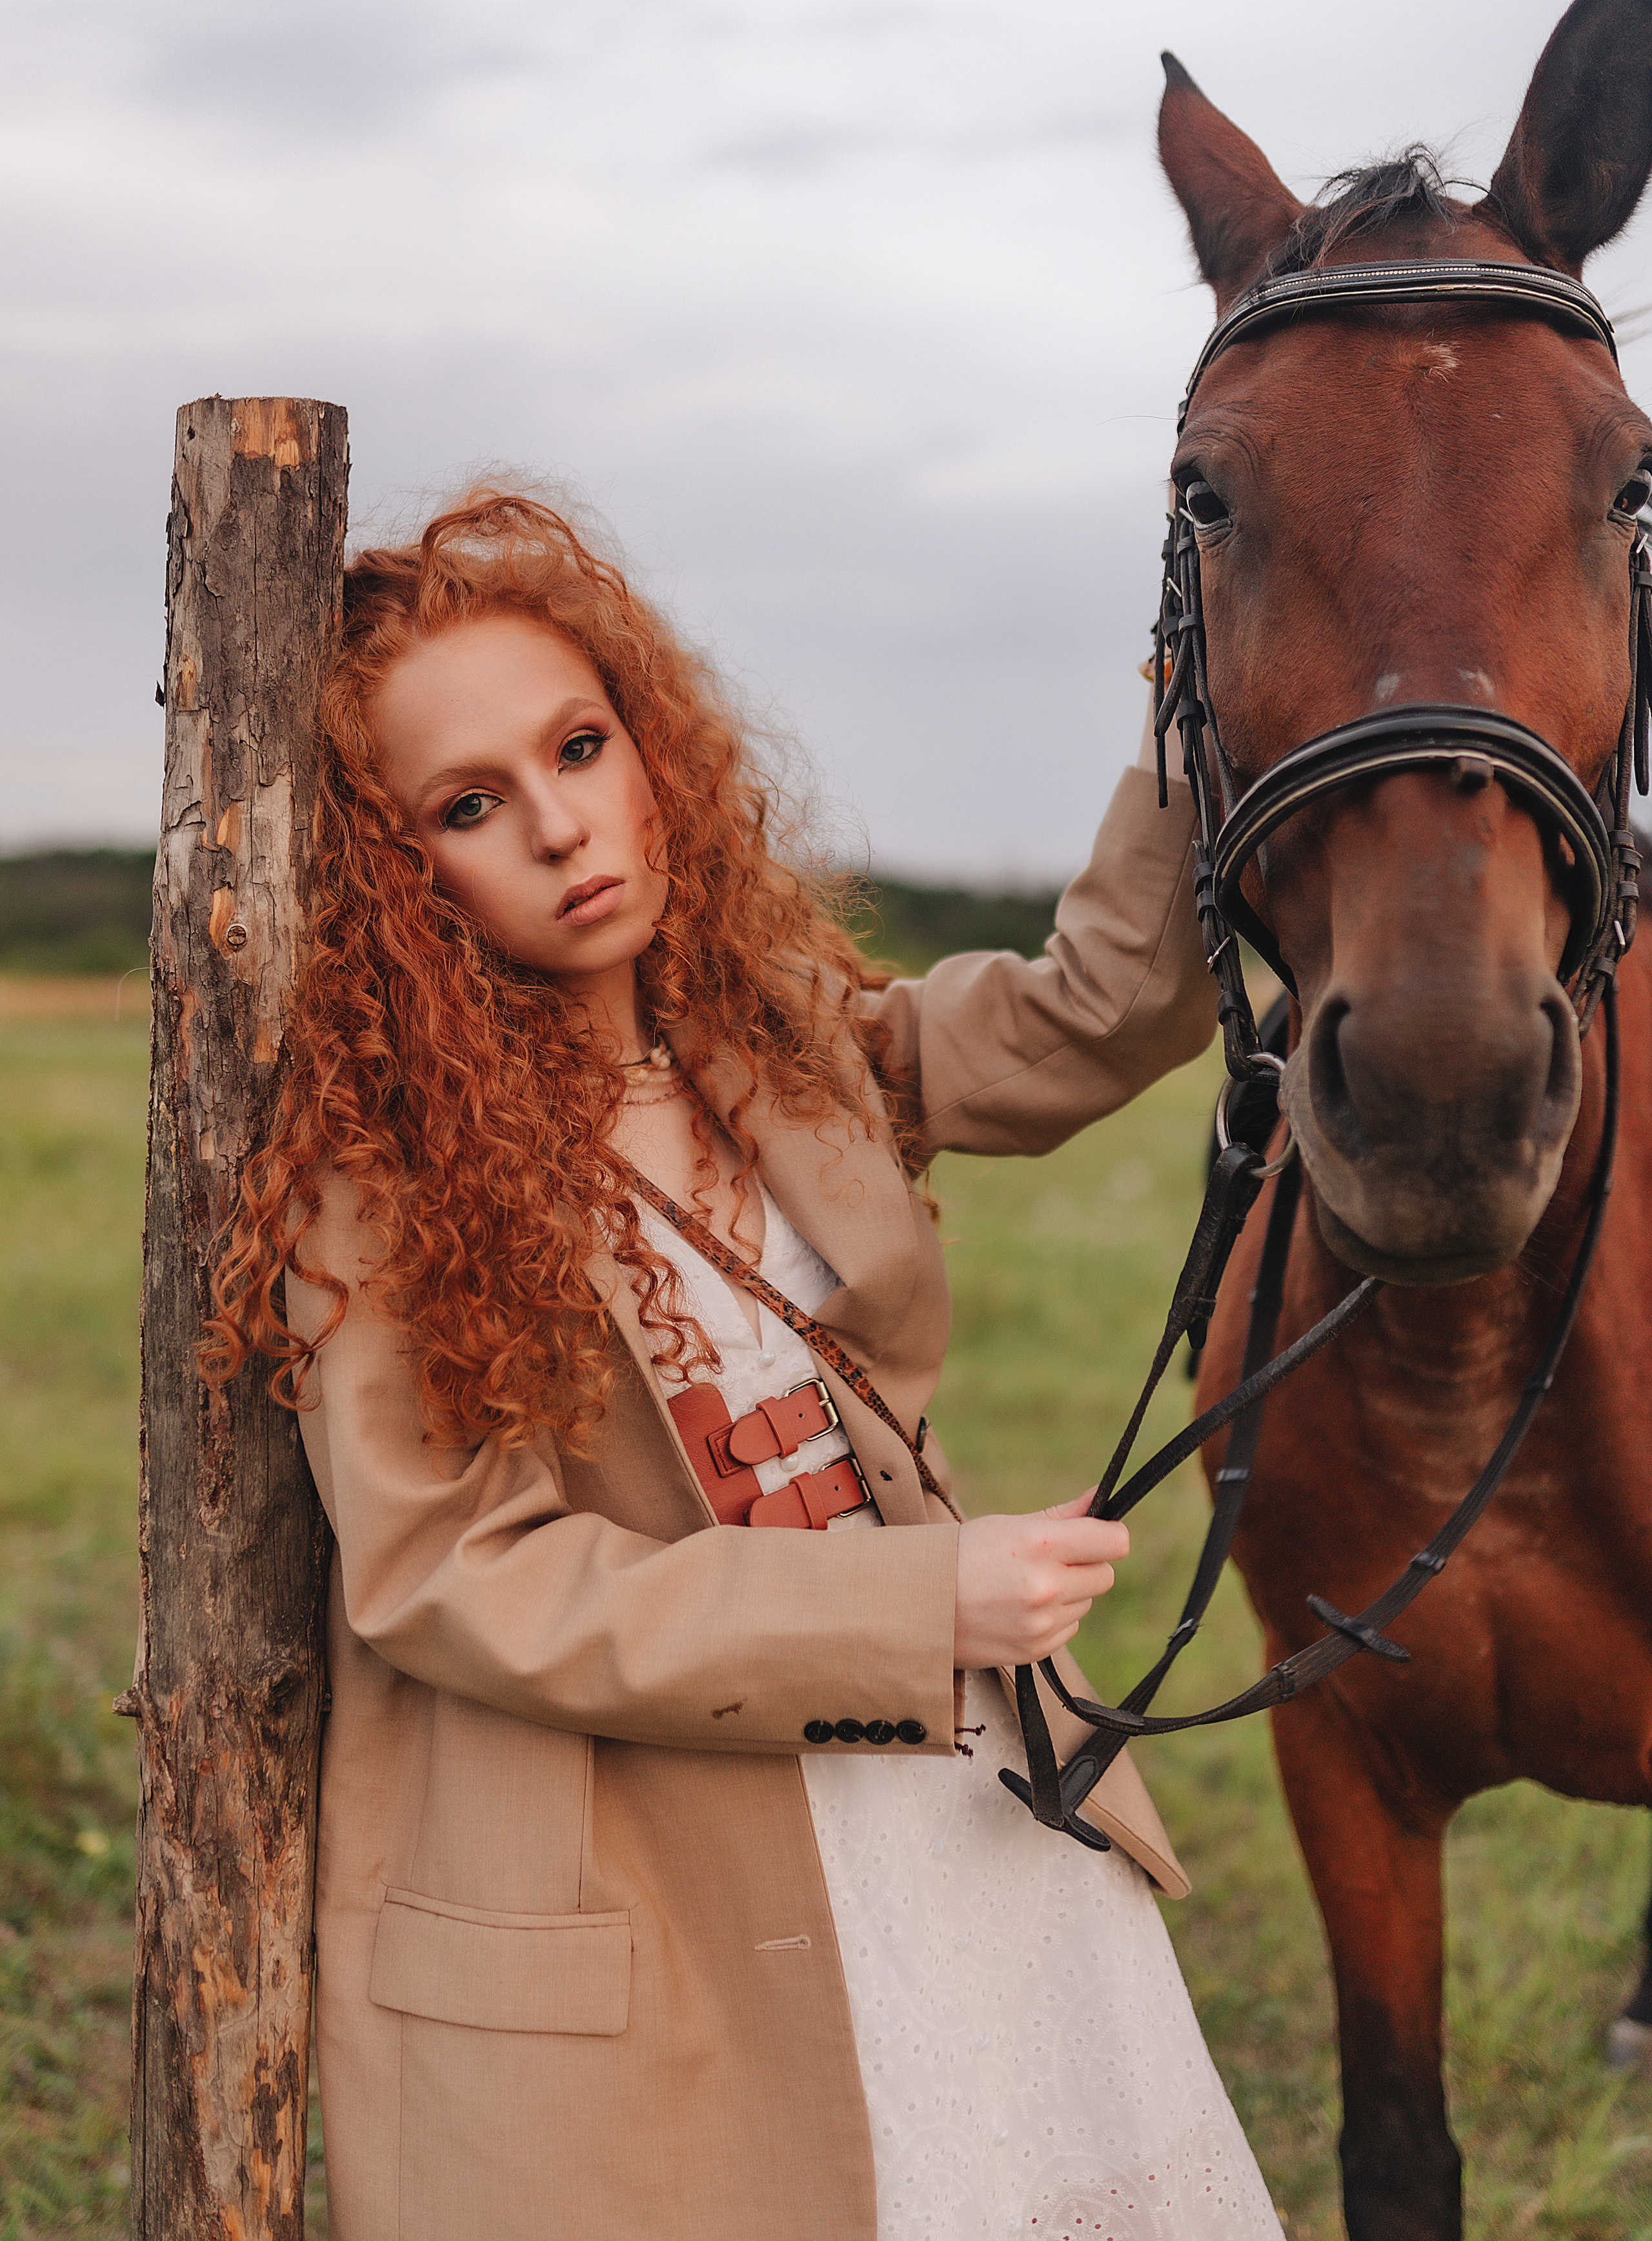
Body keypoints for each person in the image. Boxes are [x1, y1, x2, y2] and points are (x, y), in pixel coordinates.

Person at [206, 490, 1281, 2240]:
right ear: (391, 880)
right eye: (468, 805)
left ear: (653, 747)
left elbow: (1094, 1010)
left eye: (580, 746)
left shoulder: (776, 1038)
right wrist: (922, 1602)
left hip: (950, 1801)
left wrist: (1202, 699)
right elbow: (452, 1575)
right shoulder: (379, 1181)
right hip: (648, 1861)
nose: (561, 826)